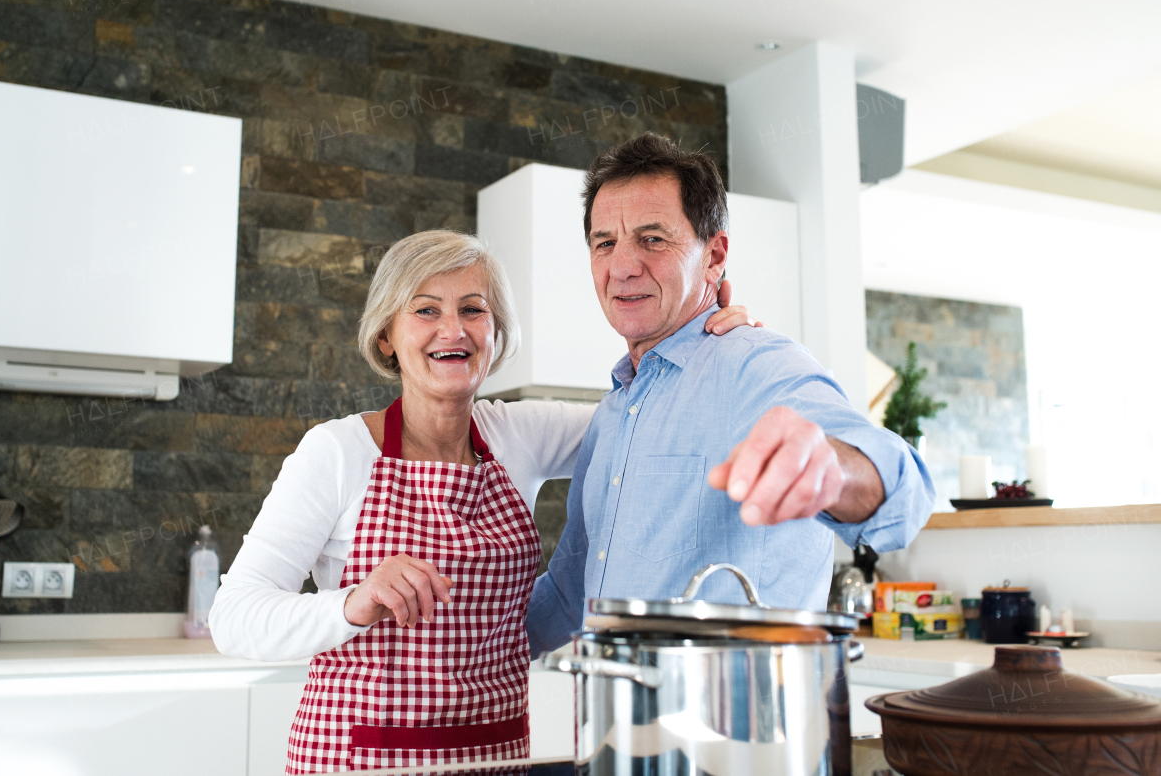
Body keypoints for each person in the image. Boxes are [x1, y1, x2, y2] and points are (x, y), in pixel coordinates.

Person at [208, 229, 754, 773]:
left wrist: (715, 342)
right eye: (425, 310)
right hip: (362, 758)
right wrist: (352, 602)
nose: (455, 329)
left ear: (495, 334)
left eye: (474, 309)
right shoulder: (338, 451)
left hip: (494, 753)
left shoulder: (524, 434)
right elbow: (233, 618)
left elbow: (649, 424)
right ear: (385, 338)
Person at [527, 133, 936, 656]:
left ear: (714, 254)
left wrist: (830, 469)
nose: (622, 265)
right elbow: (568, 595)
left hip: (743, 730)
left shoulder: (755, 364)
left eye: (653, 239)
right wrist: (448, 650)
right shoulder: (612, 415)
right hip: (621, 725)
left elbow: (904, 490)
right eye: (605, 242)